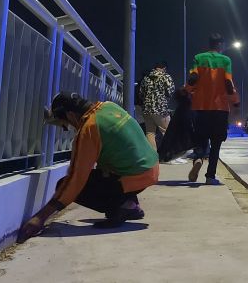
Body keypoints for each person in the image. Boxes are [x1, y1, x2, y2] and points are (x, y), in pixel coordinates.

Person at [17, 93, 160, 242]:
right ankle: (129, 203)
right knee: (102, 172)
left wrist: (40, 217)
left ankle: (124, 207)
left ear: (71, 115)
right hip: (151, 168)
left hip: (136, 175)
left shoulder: (89, 128)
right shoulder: (109, 107)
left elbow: (75, 179)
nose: (70, 128)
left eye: (67, 124)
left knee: (65, 184)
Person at [185, 33, 239, 185]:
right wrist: (235, 102)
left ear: (209, 44)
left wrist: (185, 91)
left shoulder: (199, 58)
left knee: (201, 138)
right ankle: (210, 176)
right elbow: (228, 83)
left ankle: (198, 159)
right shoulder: (226, 60)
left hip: (200, 106)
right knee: (216, 143)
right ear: (220, 45)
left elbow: (193, 78)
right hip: (220, 108)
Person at [137, 61, 175, 151]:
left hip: (147, 109)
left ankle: (153, 157)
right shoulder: (165, 77)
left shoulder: (146, 78)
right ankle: (169, 154)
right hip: (160, 109)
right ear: (164, 68)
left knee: (150, 133)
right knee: (168, 131)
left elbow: (141, 93)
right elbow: (170, 91)